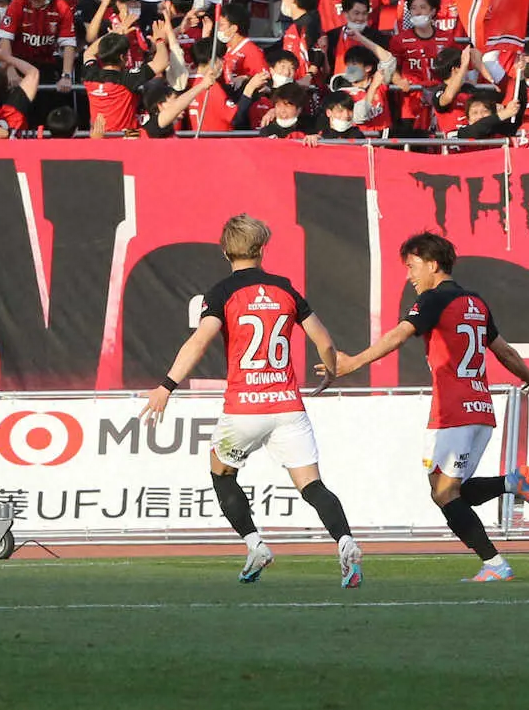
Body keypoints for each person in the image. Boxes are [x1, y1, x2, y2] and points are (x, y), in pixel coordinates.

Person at [140, 214, 363, 587]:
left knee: (221, 472)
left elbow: (200, 341)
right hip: (288, 406)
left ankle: (255, 544)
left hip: (244, 407)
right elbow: (323, 338)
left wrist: (166, 385)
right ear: (262, 248)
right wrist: (331, 368)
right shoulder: (285, 289)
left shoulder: (222, 292)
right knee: (312, 486)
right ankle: (345, 542)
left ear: (225, 251)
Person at [328, 232, 529, 581]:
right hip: (480, 408)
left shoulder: (433, 299)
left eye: (412, 266)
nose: (409, 275)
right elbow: (503, 351)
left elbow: (398, 335)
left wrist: (352, 364)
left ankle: (495, 564)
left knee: (446, 493)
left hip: (455, 410)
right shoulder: (476, 302)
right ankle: (513, 483)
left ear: (433, 265)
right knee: (445, 490)